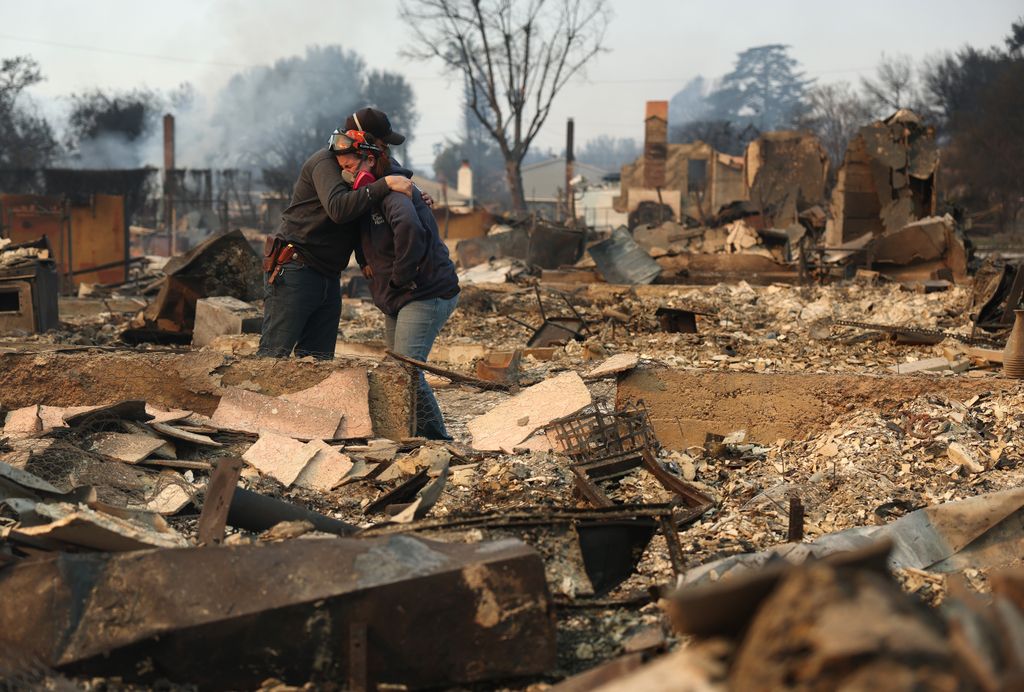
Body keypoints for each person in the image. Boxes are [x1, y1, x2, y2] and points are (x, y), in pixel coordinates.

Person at [331, 113, 460, 440]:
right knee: (400, 374)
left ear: (370, 158)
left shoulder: (391, 190)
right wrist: (364, 261)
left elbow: (409, 228)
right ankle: (416, 437)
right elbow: (364, 231)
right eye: (342, 167)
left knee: (405, 372)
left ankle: (437, 440)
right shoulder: (374, 192)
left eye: (351, 166)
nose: (346, 173)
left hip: (424, 292)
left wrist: (401, 277)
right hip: (399, 295)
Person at [256, 122, 417, 359]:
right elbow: (339, 209)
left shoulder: (369, 168)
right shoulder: (326, 162)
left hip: (329, 275)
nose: (348, 171)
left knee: (317, 361)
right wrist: (385, 184)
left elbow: (360, 218)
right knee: (272, 357)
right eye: (382, 145)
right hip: (295, 268)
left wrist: (416, 192)